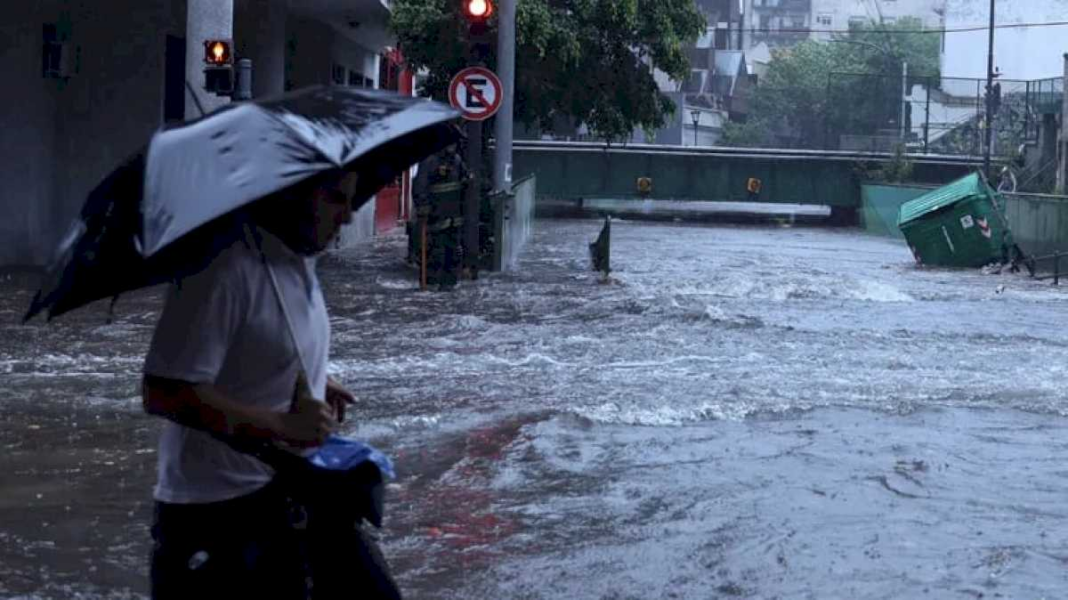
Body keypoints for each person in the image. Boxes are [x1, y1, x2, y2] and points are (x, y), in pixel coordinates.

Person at [141, 169, 400, 599]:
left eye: (351, 201)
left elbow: (261, 341)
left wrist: (314, 379)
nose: (348, 217)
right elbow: (164, 390)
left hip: (284, 494)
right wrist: (282, 425)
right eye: (335, 199)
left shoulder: (298, 262)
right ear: (291, 194)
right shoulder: (221, 271)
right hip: (212, 517)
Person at [412, 145, 467, 289]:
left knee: (453, 250)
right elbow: (419, 186)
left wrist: (468, 180)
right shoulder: (429, 161)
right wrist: (423, 208)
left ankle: (449, 282)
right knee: (434, 250)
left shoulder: (456, 160)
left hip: (454, 215)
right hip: (435, 214)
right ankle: (431, 282)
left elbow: (463, 180)